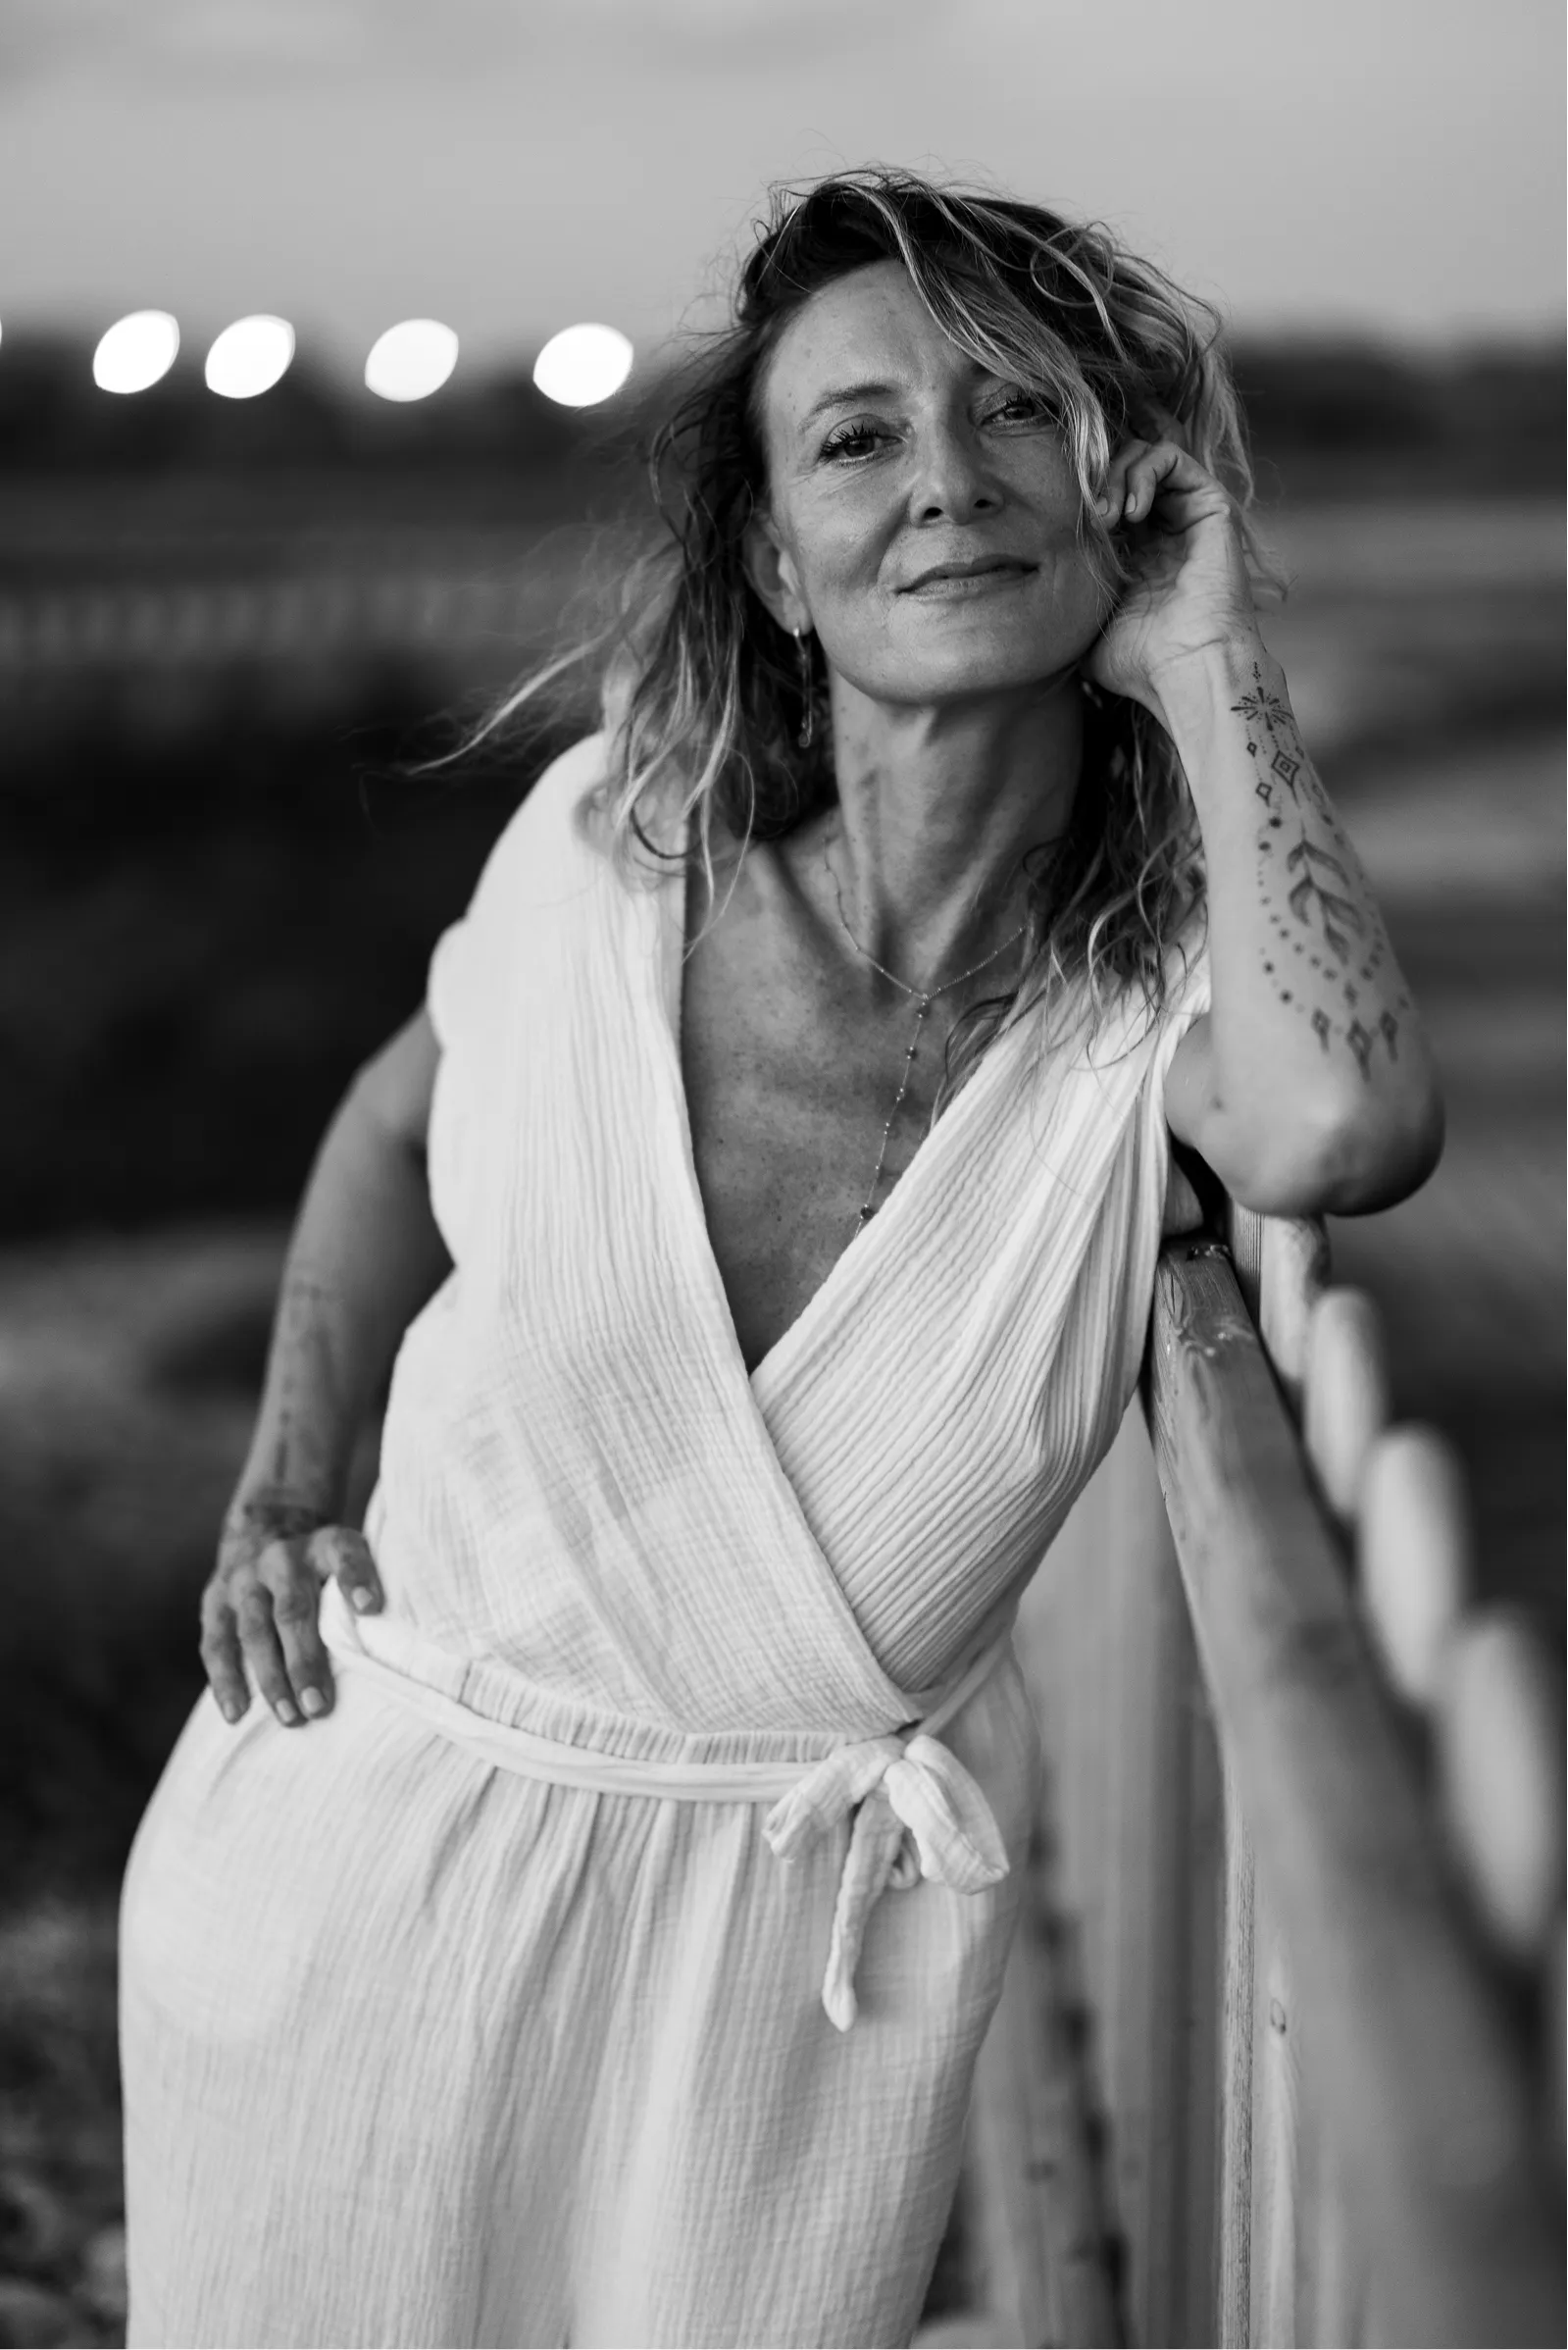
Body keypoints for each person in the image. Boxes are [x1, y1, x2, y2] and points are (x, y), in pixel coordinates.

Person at [118, 169, 1442, 2348]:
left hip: (765, 2015)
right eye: (856, 438)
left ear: (1123, 486)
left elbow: (1351, 1126)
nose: (947, 485)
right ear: (771, 559)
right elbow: (385, 1119)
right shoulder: (595, 865)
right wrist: (283, 1475)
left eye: (1019, 416)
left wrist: (1208, 648)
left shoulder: (1146, 1035)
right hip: (332, 1895)